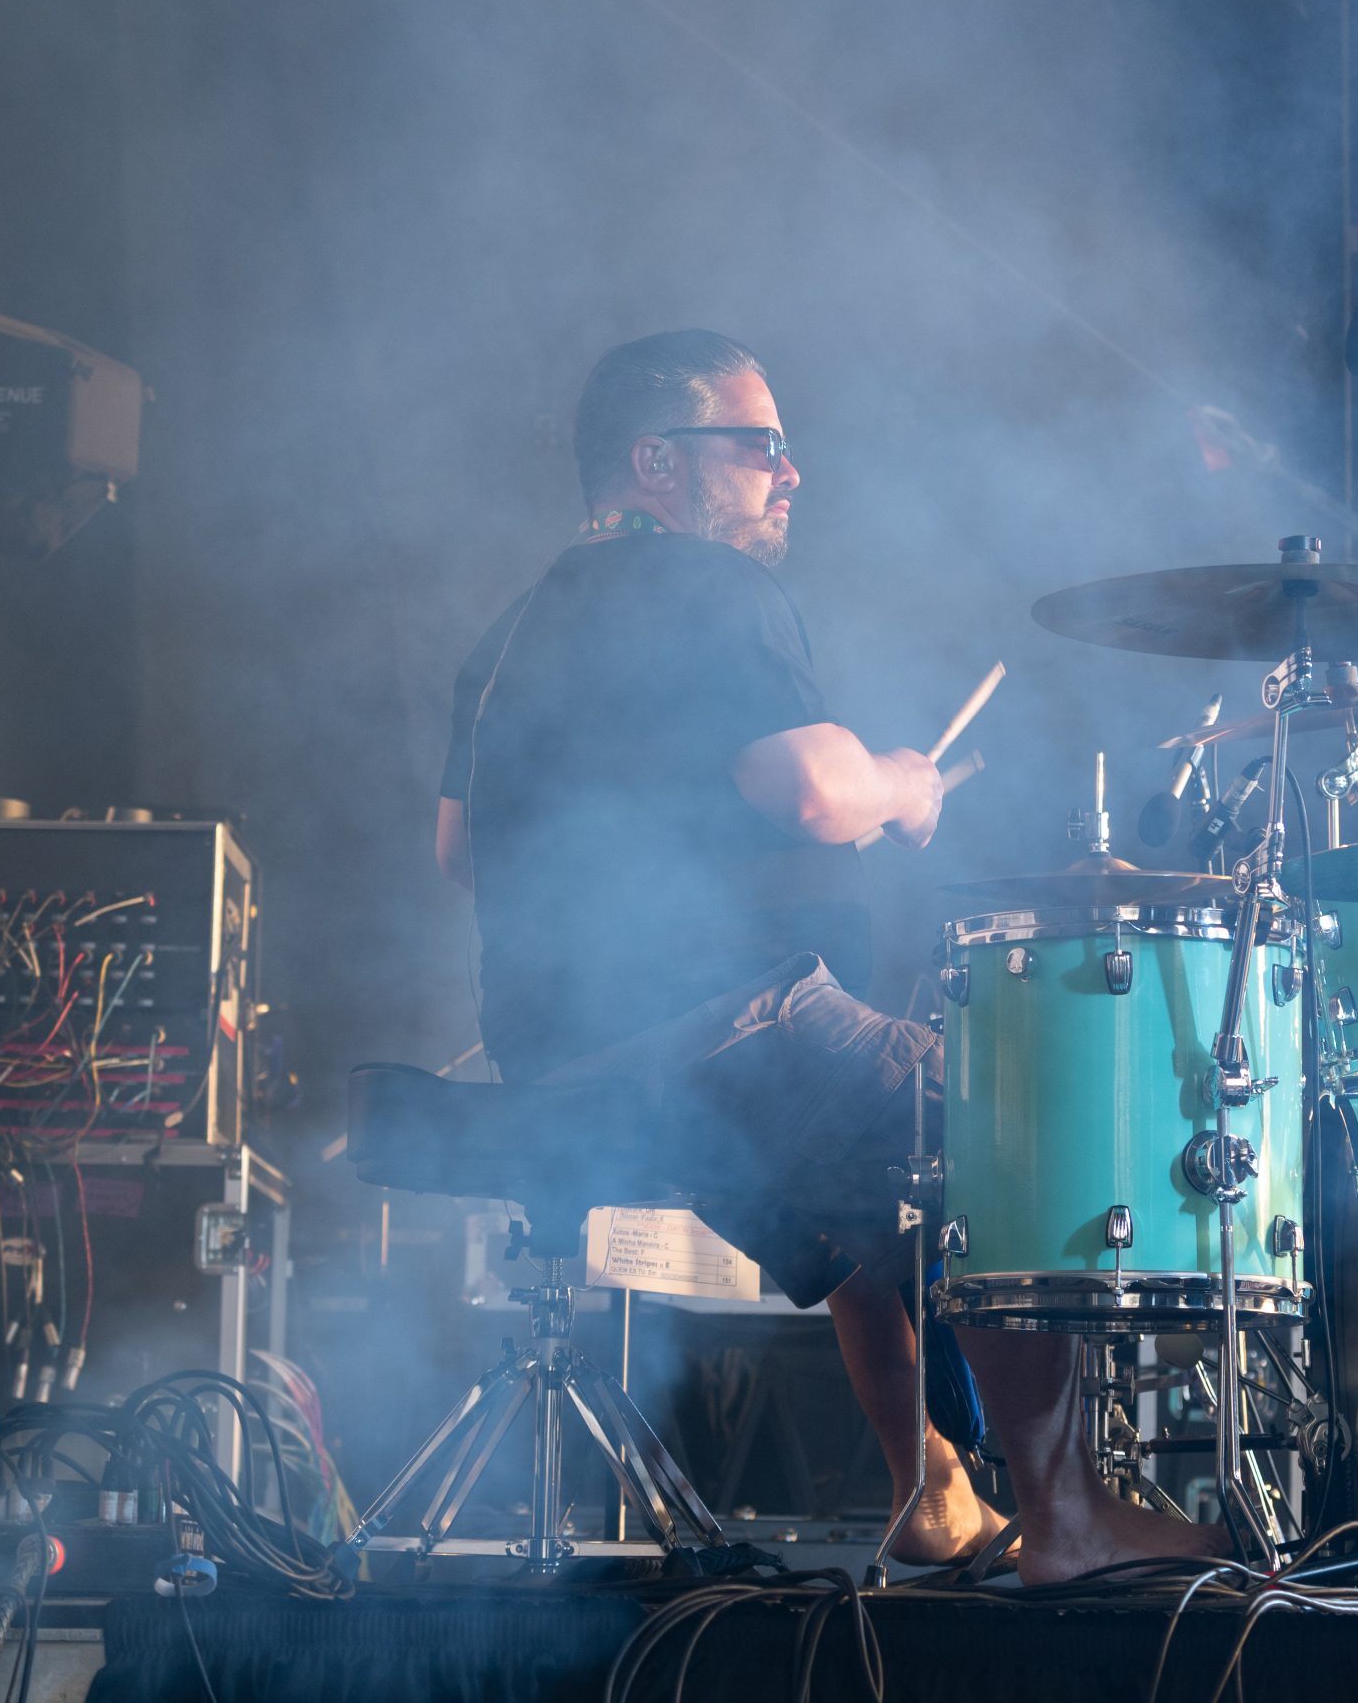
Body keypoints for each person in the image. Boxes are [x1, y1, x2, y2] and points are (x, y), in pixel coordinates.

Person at [435, 328, 1223, 1581]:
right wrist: (900, 783)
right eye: (760, 446)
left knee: (867, 1192)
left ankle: (933, 1489)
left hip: (563, 1058)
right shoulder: (700, 578)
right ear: (657, 462)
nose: (789, 471)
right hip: (711, 1021)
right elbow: (810, 788)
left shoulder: (513, 632)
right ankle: (1070, 1514)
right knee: (1007, 1124)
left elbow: (458, 851)